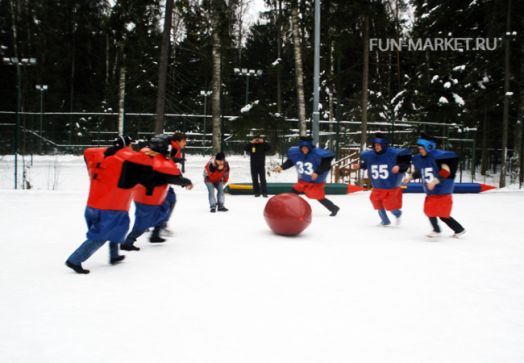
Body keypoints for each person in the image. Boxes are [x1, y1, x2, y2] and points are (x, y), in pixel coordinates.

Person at [65, 136, 136, 274]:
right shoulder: (125, 160)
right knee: (101, 236)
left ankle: (114, 255)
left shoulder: (99, 156)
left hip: (93, 205)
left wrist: (111, 149)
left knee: (119, 228)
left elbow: (87, 151)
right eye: (130, 145)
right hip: (111, 207)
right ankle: (74, 260)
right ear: (126, 147)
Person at [120, 135, 193, 251]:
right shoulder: (160, 162)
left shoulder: (146, 152)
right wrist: (187, 182)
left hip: (150, 192)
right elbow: (173, 177)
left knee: (168, 204)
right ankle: (128, 242)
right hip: (148, 196)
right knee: (143, 223)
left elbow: (162, 158)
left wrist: (175, 160)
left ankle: (155, 234)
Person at [403, 134, 466, 238]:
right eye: (419, 148)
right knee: (432, 212)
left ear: (429, 147)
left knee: (440, 214)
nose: (420, 150)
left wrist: (435, 181)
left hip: (441, 192)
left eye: (422, 148)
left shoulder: (439, 157)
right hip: (432, 193)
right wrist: (409, 177)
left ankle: (453, 229)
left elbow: (446, 171)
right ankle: (451, 229)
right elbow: (421, 173)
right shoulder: (421, 160)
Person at [352, 133, 411, 226]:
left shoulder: (393, 154)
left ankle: (397, 213)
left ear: (383, 145)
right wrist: (359, 165)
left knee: (389, 205)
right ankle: (385, 220)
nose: (377, 147)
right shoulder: (370, 155)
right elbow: (366, 164)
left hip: (390, 185)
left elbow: (405, 162)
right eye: (375, 145)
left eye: (379, 145)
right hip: (377, 185)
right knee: (376, 202)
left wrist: (399, 167)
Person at [274, 136, 340, 216]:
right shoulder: (297, 154)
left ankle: (333, 208)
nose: (304, 150)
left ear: (310, 148)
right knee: (292, 194)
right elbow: (290, 161)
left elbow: (325, 163)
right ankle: (286, 208)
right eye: (303, 148)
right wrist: (282, 167)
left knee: (319, 197)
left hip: (314, 182)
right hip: (303, 181)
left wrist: (317, 172)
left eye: (306, 148)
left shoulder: (317, 153)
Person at [160, 132, 189, 236]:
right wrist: (181, 180)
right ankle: (161, 226)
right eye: (184, 141)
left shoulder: (171, 146)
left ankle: (154, 225)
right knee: (170, 200)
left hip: (161, 179)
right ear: (177, 141)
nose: (185, 143)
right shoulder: (172, 147)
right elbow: (166, 163)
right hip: (160, 179)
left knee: (164, 201)